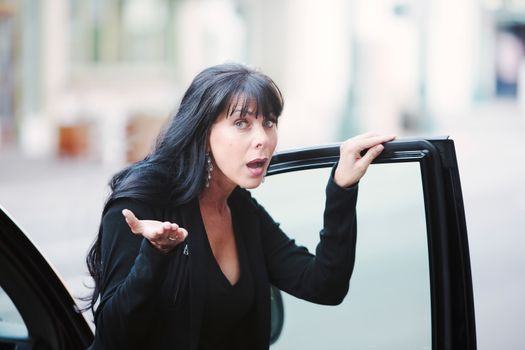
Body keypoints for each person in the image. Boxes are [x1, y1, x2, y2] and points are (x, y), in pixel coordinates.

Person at [85, 63, 395, 349]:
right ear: (203, 132)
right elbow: (112, 336)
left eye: (269, 122)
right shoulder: (142, 202)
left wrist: (342, 187)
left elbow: (325, 285)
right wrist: (154, 255)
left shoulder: (241, 210)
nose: (263, 138)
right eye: (242, 123)